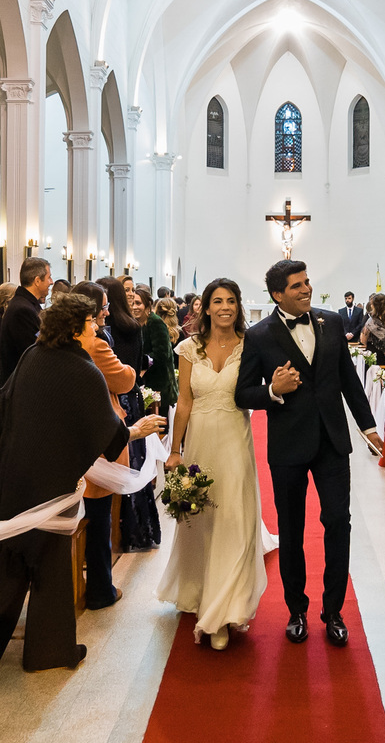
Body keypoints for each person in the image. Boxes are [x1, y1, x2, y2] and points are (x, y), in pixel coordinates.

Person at [0, 294, 161, 679]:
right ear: (77, 329)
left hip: (11, 476)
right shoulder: (82, 370)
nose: (97, 327)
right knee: (48, 565)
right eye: (91, 323)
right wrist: (137, 429)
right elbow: (105, 434)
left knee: (14, 559)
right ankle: (45, 650)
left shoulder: (34, 355)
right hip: (48, 482)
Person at [235, 260, 382, 647]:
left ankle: (333, 610)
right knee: (293, 531)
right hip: (288, 445)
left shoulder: (331, 322)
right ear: (277, 294)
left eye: (307, 282)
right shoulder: (259, 335)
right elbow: (243, 393)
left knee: (338, 523)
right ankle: (296, 609)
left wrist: (368, 426)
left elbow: (348, 379)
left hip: (332, 441)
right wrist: (273, 389)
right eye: (297, 285)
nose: (306, 289)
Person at [159, 278, 271, 651]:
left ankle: (225, 610)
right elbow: (185, 402)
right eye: (217, 301)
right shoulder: (189, 348)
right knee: (202, 520)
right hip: (201, 442)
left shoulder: (250, 345)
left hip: (235, 441)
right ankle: (198, 592)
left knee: (234, 519)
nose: (225, 307)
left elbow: (258, 390)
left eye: (231, 301)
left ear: (238, 306)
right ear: (204, 307)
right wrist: (175, 450)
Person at [72, 281, 144, 611]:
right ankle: (101, 588)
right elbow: (124, 379)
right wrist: (130, 368)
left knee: (87, 514)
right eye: (102, 307)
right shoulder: (94, 343)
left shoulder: (60, 340)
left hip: (74, 435)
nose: (107, 312)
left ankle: (86, 580)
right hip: (99, 437)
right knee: (99, 517)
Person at [98, 277, 162, 550]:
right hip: (130, 395)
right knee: (131, 462)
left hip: (115, 396)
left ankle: (118, 526)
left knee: (118, 460)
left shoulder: (107, 331)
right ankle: (135, 528)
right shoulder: (132, 327)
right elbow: (137, 365)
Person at [0, 257, 53, 377]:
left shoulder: (27, 304)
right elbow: (33, 352)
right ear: (37, 281)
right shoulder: (22, 310)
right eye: (49, 277)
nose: (51, 282)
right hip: (23, 383)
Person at [140, 286, 179, 418]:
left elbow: (162, 354)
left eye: (138, 303)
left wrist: (143, 362)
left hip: (158, 384)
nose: (134, 307)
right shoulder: (138, 322)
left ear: (148, 306)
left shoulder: (155, 322)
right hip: (146, 383)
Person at [360, 293, 385, 364]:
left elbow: (363, 339)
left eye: (372, 304)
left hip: (381, 355)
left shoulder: (371, 320)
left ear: (375, 306)